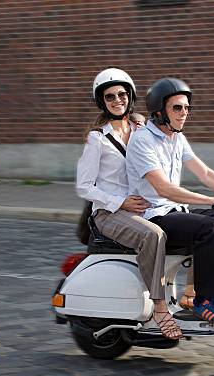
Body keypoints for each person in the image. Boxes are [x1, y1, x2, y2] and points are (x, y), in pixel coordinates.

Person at [76, 68, 184, 340]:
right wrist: (120, 202)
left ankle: (192, 297)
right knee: (153, 235)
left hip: (143, 208)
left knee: (196, 225)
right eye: (109, 96)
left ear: (130, 95)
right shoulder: (96, 139)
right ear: (102, 102)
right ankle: (160, 308)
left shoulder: (139, 129)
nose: (117, 100)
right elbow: (84, 186)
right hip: (109, 213)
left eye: (122, 94)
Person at [126, 77, 214, 323]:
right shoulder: (142, 140)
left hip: (176, 211)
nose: (184, 113)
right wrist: (211, 199)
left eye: (187, 108)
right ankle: (203, 301)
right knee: (211, 229)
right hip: (155, 216)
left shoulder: (177, 137)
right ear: (159, 112)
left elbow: (205, 173)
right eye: (178, 107)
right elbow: (164, 189)